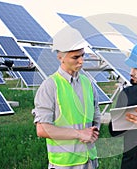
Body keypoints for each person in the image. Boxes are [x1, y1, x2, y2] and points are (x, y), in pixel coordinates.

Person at [32, 28, 101, 169]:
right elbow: (42, 129)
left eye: (83, 55)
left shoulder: (88, 83)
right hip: (65, 164)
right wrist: (79, 134)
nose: (81, 61)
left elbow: (96, 113)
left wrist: (94, 131)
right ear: (60, 58)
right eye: (75, 57)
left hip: (89, 161)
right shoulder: (50, 86)